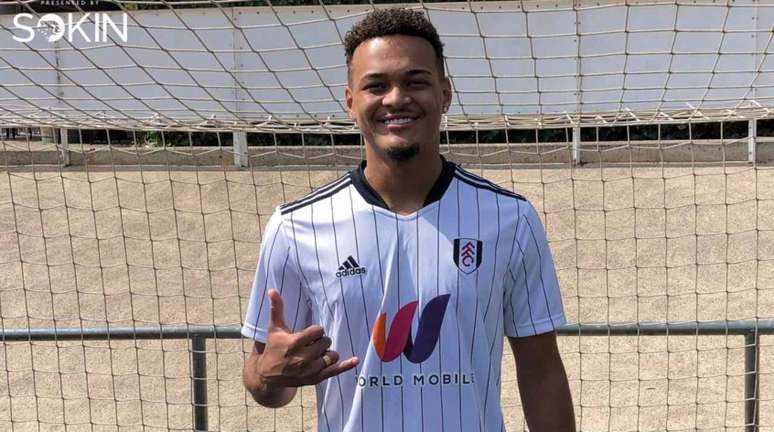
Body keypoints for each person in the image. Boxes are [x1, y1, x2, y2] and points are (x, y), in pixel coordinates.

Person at [242, 8, 575, 431]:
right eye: (376, 86)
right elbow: (263, 378)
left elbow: (541, 367)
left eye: (415, 82)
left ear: (445, 93)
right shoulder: (294, 226)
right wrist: (267, 376)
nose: (396, 98)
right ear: (350, 102)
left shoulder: (509, 217)